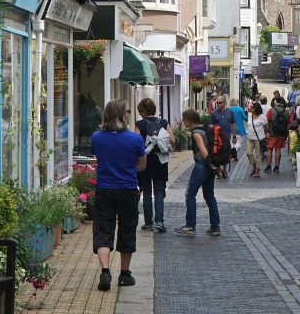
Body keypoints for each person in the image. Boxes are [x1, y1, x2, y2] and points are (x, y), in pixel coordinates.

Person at [90, 99, 146, 290]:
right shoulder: (135, 139)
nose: (130, 114)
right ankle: (124, 274)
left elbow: (98, 158)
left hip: (104, 189)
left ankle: (105, 272)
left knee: (104, 230)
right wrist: (127, 169)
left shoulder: (97, 137)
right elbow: (142, 165)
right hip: (128, 189)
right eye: (128, 111)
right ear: (122, 115)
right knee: (127, 230)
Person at [175, 109, 221, 236]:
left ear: (190, 119)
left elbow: (203, 150)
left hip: (202, 164)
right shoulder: (205, 129)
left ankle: (190, 225)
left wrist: (210, 164)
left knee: (190, 194)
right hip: (209, 166)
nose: (183, 121)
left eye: (184, 119)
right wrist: (215, 166)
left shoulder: (196, 133)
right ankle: (215, 226)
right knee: (209, 196)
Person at [133, 98, 174, 233]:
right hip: (160, 161)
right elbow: (172, 140)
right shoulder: (163, 122)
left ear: (144, 110)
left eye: (140, 111)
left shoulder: (139, 124)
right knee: (159, 192)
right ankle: (160, 222)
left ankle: (148, 223)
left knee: (146, 191)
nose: (140, 114)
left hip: (145, 161)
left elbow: (136, 142)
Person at [208, 95, 237, 178]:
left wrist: (234, 136)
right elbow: (211, 125)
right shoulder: (214, 113)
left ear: (224, 103)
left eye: (220, 103)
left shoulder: (230, 112)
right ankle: (219, 170)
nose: (218, 104)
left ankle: (224, 169)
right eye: (217, 103)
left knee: (226, 154)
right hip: (217, 137)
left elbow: (233, 124)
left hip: (227, 136)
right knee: (218, 153)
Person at [265, 95, 290, 173]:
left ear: (275, 102)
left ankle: (268, 166)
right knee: (278, 149)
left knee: (269, 149)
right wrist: (286, 133)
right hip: (281, 133)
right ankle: (276, 167)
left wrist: (267, 132)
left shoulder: (271, 111)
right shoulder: (286, 112)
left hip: (272, 133)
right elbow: (289, 124)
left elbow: (266, 122)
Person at [245, 102, 268, 177]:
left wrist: (265, 134)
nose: (250, 108)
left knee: (258, 155)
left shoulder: (262, 117)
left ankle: (257, 170)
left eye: (252, 107)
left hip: (259, 138)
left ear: (256, 109)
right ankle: (254, 167)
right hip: (250, 137)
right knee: (248, 153)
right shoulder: (250, 116)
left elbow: (266, 127)